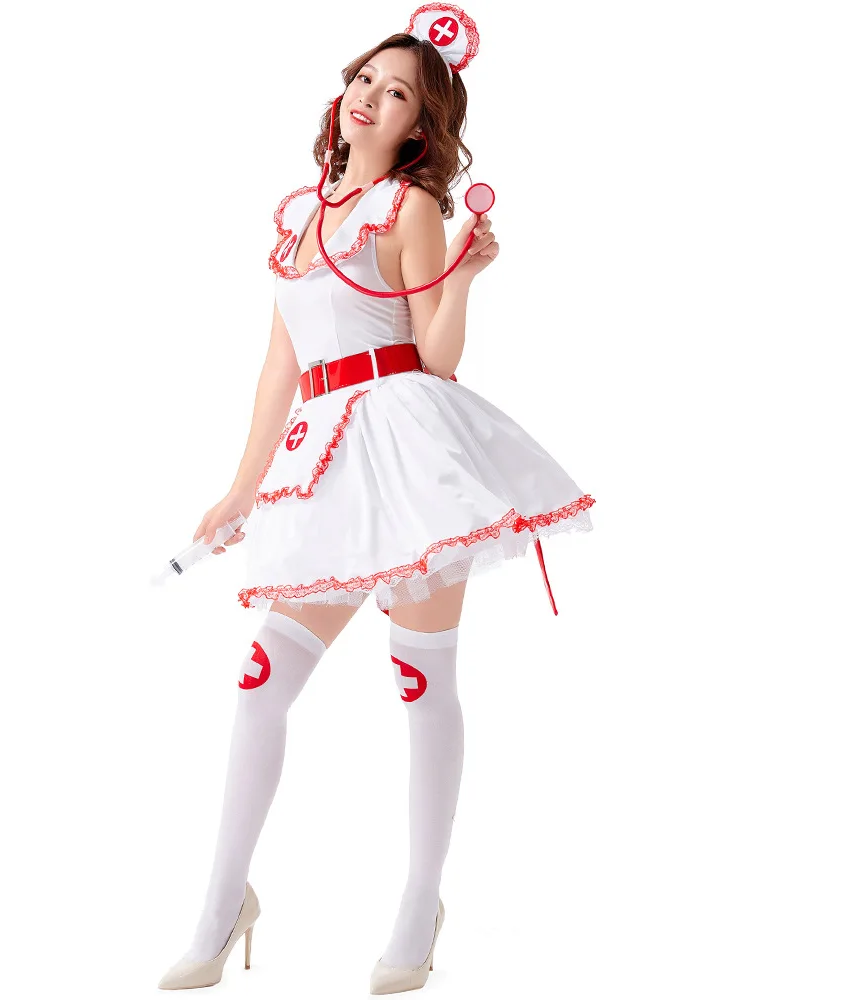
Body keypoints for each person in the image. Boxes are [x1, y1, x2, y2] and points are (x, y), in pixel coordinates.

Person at [158, 4, 595, 993]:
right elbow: (279, 364)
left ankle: (418, 903)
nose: (370, 96)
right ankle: (222, 904)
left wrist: (465, 278)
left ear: (418, 127)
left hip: (403, 448)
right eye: (365, 77)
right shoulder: (297, 218)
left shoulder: (409, 209)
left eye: (397, 92)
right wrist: (240, 487)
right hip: (320, 462)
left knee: (419, 680)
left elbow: (431, 356)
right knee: (262, 680)